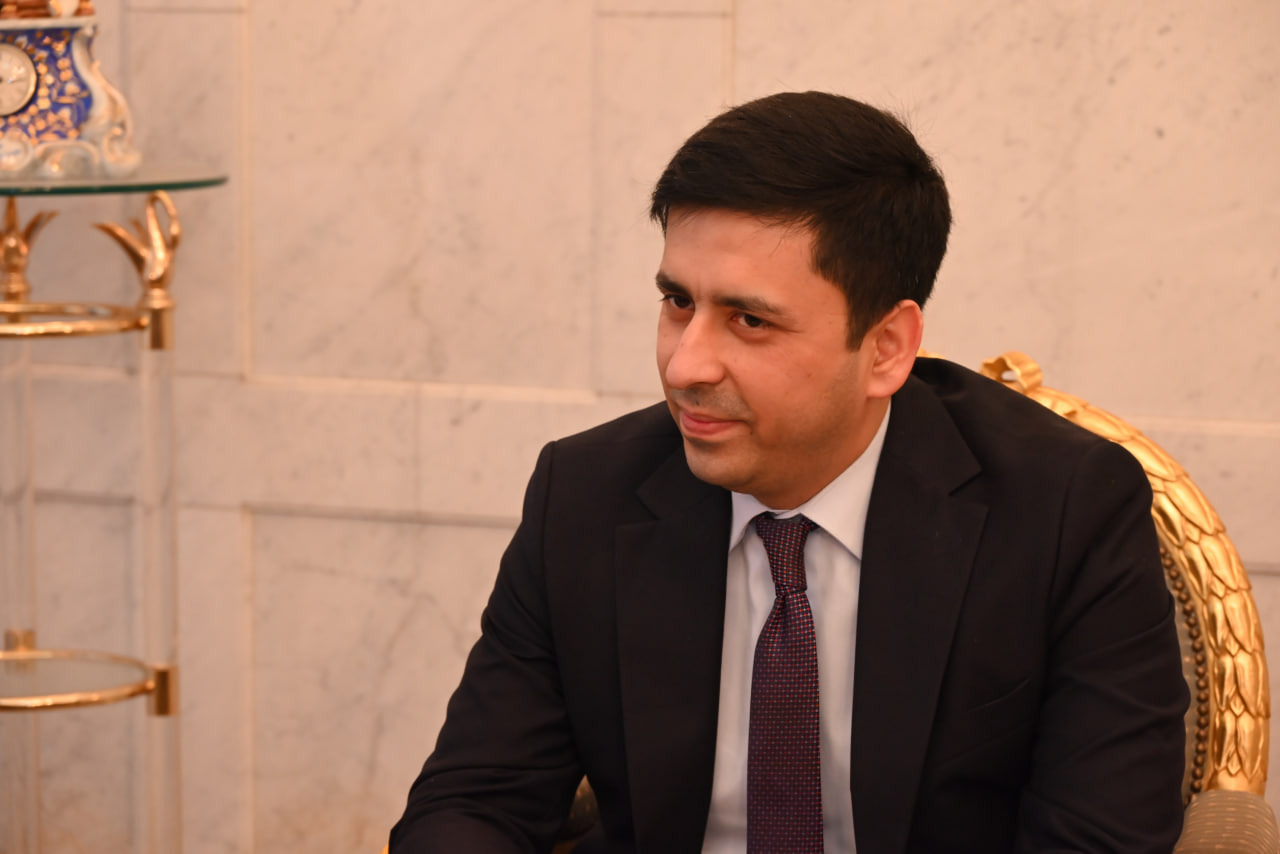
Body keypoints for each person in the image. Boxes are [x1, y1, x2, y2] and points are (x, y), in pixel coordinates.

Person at [390, 91, 1188, 854]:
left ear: (886, 348)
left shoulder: (1063, 511)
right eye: (677, 302)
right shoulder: (586, 494)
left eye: (749, 320)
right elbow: (473, 802)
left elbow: (1099, 838)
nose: (685, 365)